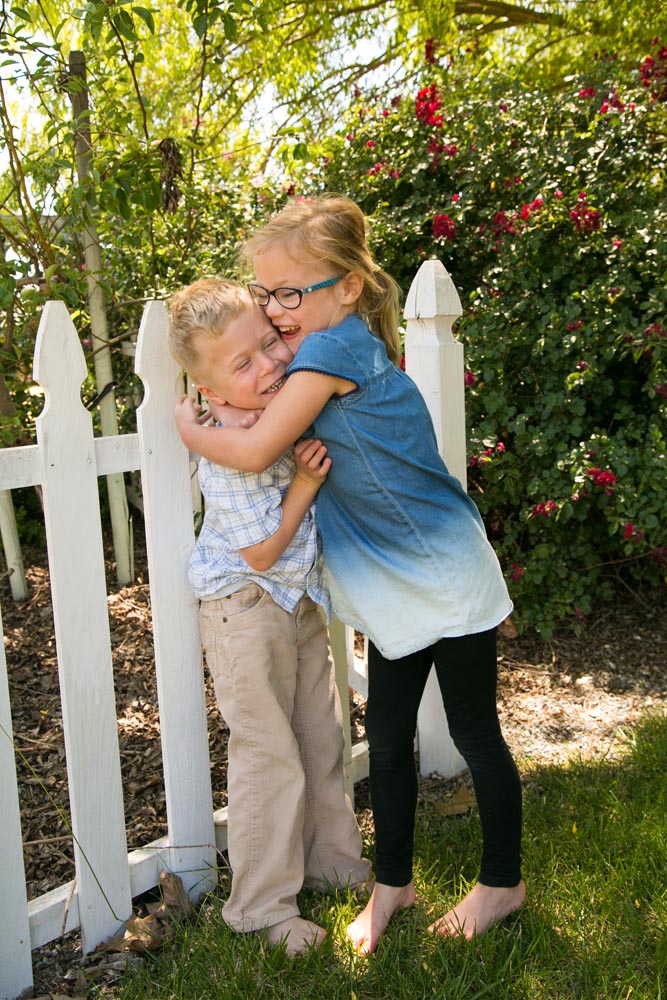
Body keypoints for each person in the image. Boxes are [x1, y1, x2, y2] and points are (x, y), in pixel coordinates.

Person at [174, 196, 526, 955]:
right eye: (266, 294)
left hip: (445, 571)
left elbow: (256, 444)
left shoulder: (331, 355)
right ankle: (391, 883)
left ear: (346, 288)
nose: (275, 311)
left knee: (474, 733)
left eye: (291, 292)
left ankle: (502, 882)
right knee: (390, 735)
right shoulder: (320, 348)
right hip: (395, 583)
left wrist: (191, 428)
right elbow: (254, 395)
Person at [168, 278, 371, 956]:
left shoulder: (283, 411)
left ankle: (334, 863)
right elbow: (257, 552)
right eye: (243, 364)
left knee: (321, 735)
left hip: (297, 602)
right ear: (213, 393)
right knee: (269, 753)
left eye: (267, 345)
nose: (268, 365)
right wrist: (307, 483)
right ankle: (261, 906)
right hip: (244, 610)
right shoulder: (224, 451)